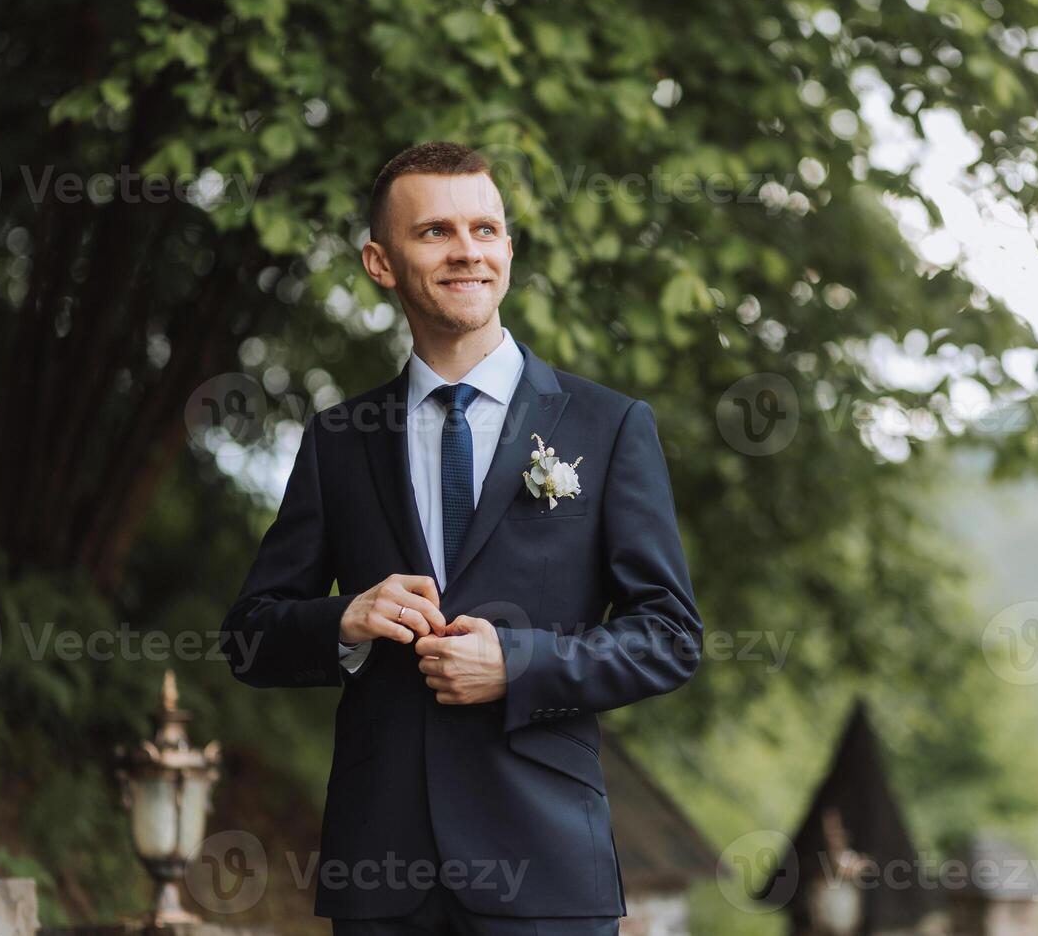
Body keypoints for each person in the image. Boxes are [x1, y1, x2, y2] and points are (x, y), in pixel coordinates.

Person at [221, 141, 702, 934]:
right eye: (436, 232)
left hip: (546, 870)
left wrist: (517, 665)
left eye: (485, 229)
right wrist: (343, 620)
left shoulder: (608, 427)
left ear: (509, 249)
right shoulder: (340, 441)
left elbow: (671, 636)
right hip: (381, 872)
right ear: (382, 261)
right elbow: (248, 638)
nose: (467, 251)